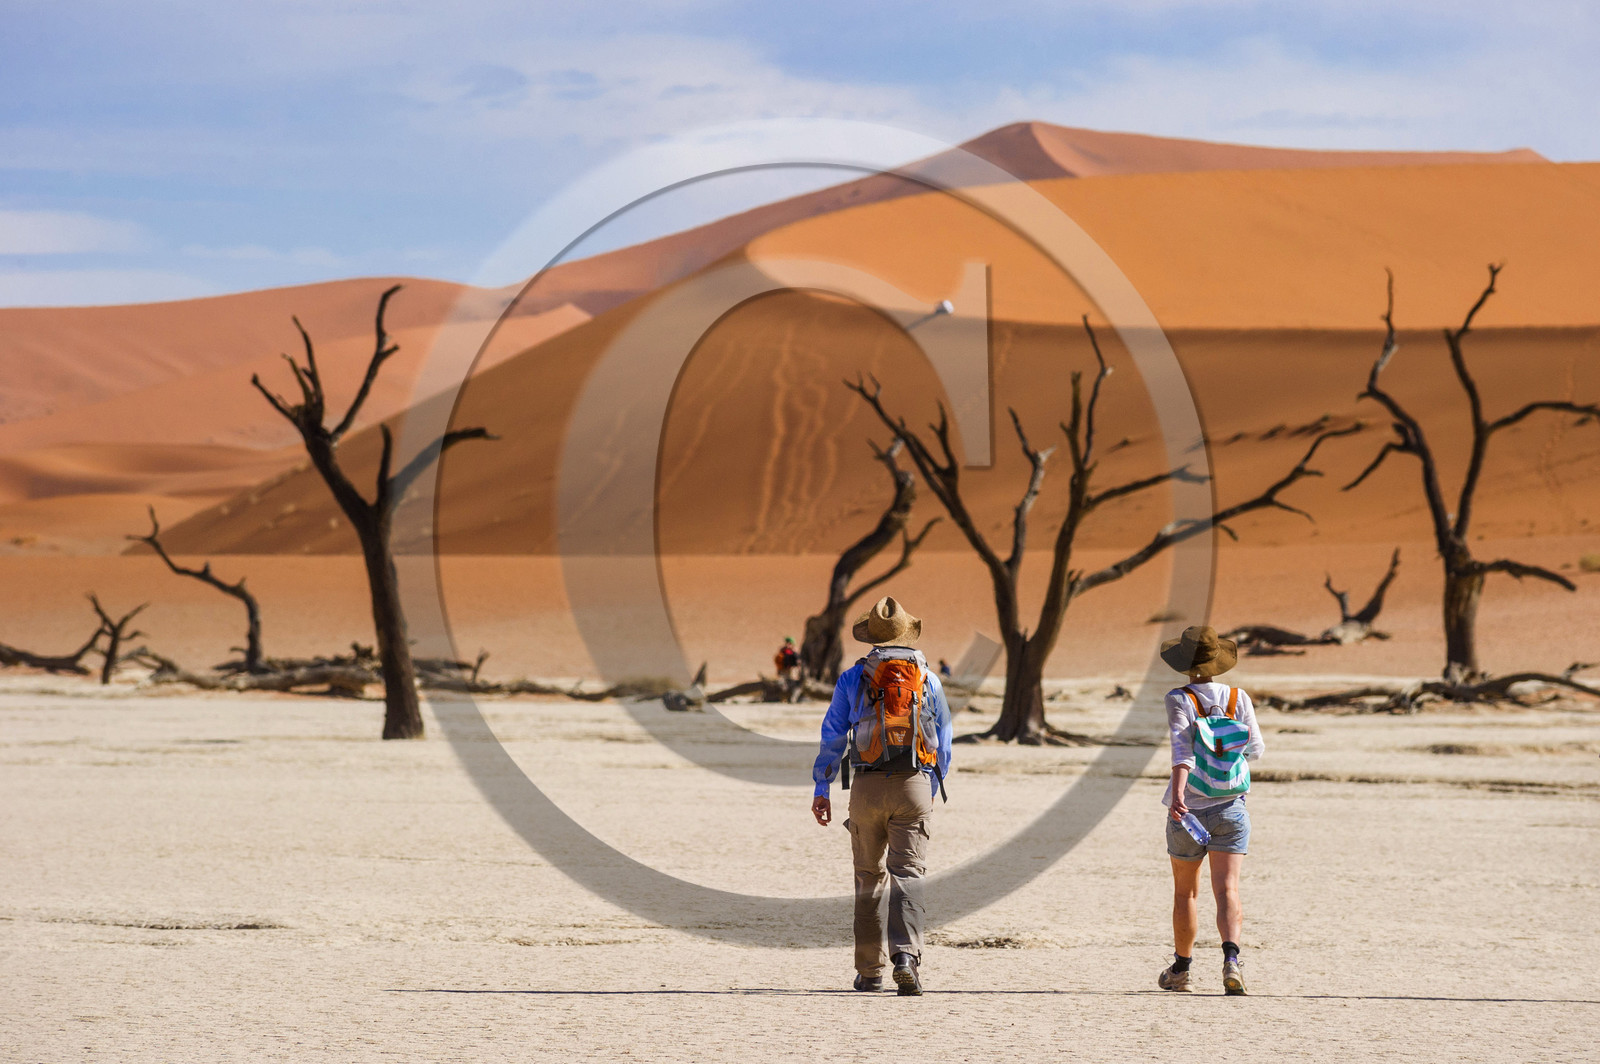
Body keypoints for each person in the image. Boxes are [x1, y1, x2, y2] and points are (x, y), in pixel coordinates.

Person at [811, 596, 953, 996]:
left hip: (866, 786)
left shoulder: (852, 677)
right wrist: (931, 783)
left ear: (870, 635)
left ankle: (869, 972)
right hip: (914, 783)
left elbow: (833, 736)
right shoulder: (928, 678)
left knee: (867, 878)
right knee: (908, 875)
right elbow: (944, 742)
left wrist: (822, 788)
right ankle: (905, 958)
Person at [1156, 625, 1264, 996]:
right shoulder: (1238, 697)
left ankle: (1181, 970)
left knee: (1186, 894)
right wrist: (1225, 756)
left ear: (1184, 663)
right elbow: (1255, 749)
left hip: (1188, 812)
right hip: (1232, 808)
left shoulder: (1178, 698)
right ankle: (1232, 961)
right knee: (1228, 889)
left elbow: (1181, 751)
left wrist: (1179, 795)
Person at [775, 636, 801, 701]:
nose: (788, 644)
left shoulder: (794, 651)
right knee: (783, 684)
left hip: (792, 670)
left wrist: (798, 670)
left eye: (790, 643)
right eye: (787, 643)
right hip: (783, 670)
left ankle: (792, 697)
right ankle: (783, 697)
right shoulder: (783, 650)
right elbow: (779, 660)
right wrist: (779, 669)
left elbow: (798, 661)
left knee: (792, 683)